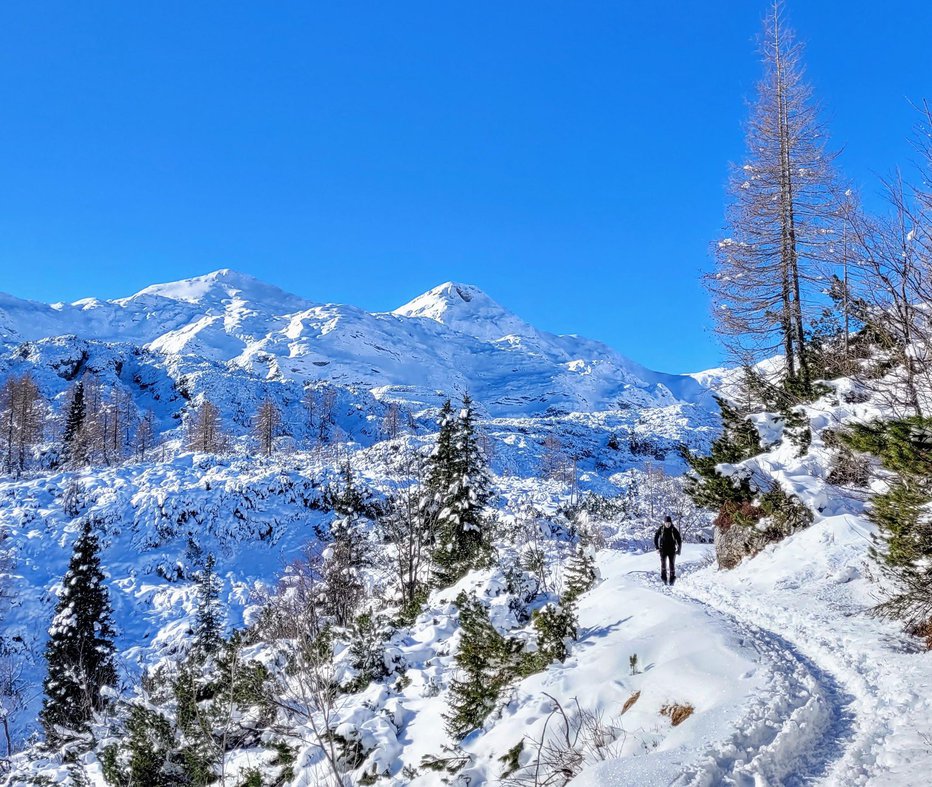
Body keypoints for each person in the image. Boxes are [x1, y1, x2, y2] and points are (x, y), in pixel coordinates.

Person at [653, 515, 682, 585]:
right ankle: (664, 578)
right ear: (664, 523)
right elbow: (655, 537)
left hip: (672, 550)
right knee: (663, 564)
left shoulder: (673, 529)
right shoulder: (661, 529)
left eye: (669, 523)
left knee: (671, 564)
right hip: (663, 549)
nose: (668, 524)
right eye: (666, 523)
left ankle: (672, 578)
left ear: (671, 523)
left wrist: (679, 549)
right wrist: (657, 547)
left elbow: (679, 540)